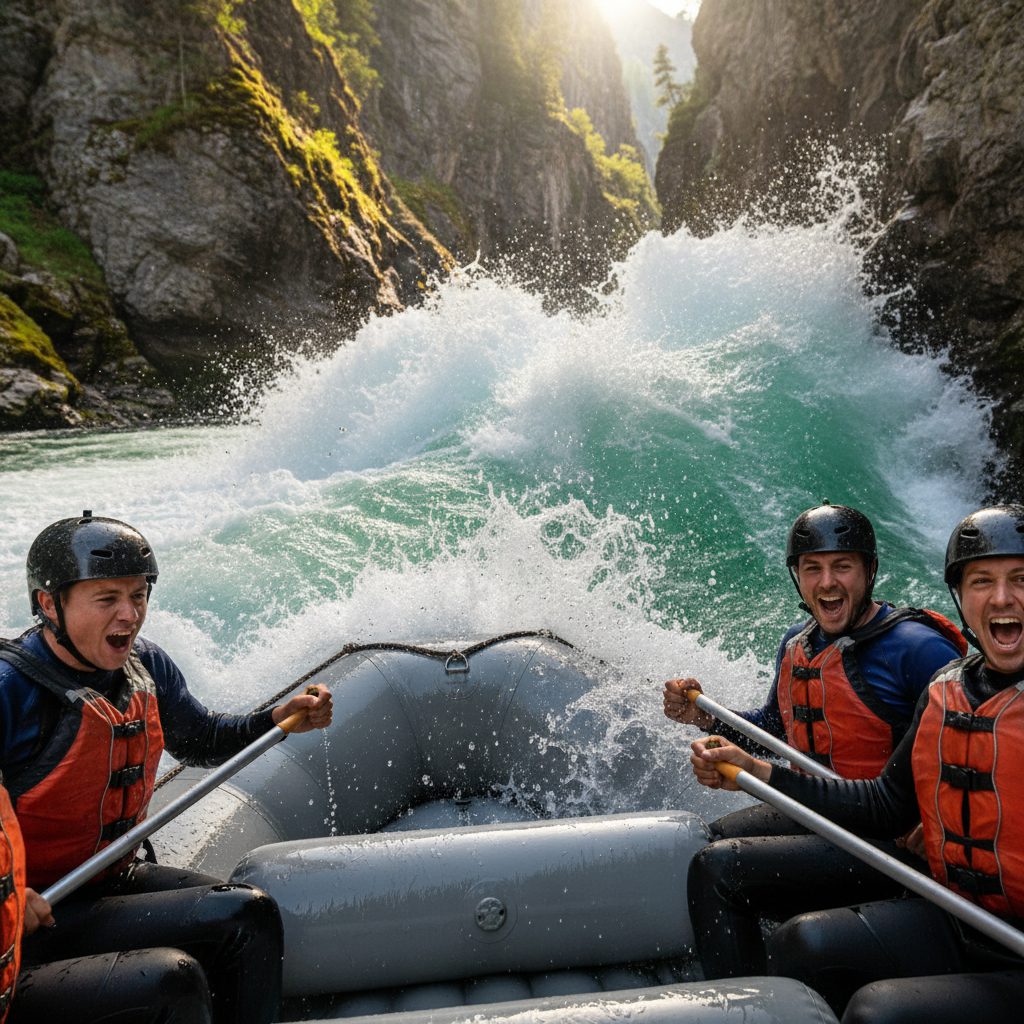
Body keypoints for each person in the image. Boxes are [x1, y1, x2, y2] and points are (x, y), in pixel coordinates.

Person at [689, 504, 1024, 1023]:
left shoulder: (917, 650)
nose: (1001, 598)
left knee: (876, 1011)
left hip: (1004, 938)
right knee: (801, 943)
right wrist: (755, 770)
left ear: (868, 571)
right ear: (961, 595)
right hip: (958, 913)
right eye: (982, 581)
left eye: (1019, 579)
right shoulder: (950, 688)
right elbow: (885, 802)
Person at [0, 512, 334, 1024]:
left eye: (138, 596)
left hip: (107, 883)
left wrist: (275, 719)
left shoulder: (145, 665)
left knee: (250, 915)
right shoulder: (10, 690)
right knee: (171, 979)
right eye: (107, 599)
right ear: (49, 604)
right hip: (30, 920)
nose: (129, 615)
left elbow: (202, 740)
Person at [663, 502, 965, 977]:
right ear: (797, 578)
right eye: (813, 569)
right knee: (718, 837)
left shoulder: (918, 649)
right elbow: (774, 729)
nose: (827, 582)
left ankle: (751, 1006)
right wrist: (706, 720)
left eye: (842, 566)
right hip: (823, 808)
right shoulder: (796, 643)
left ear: (869, 572)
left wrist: (938, 828)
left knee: (722, 868)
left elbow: (969, 750)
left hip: (888, 836)